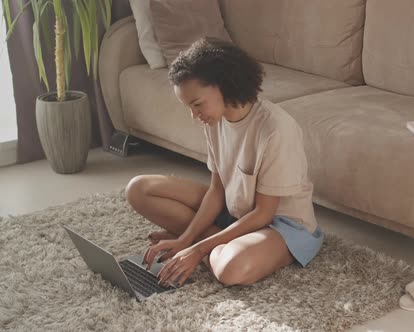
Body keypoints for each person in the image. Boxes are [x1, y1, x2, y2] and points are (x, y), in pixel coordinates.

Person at [125, 37, 324, 288]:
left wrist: (196, 250)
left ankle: (212, 244)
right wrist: (186, 240)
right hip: (234, 211)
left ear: (224, 85)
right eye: (189, 106)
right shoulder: (215, 119)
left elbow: (263, 213)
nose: (194, 116)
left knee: (231, 270)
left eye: (197, 104)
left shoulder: (275, 129)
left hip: (280, 225)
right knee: (138, 189)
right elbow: (217, 191)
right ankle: (211, 241)